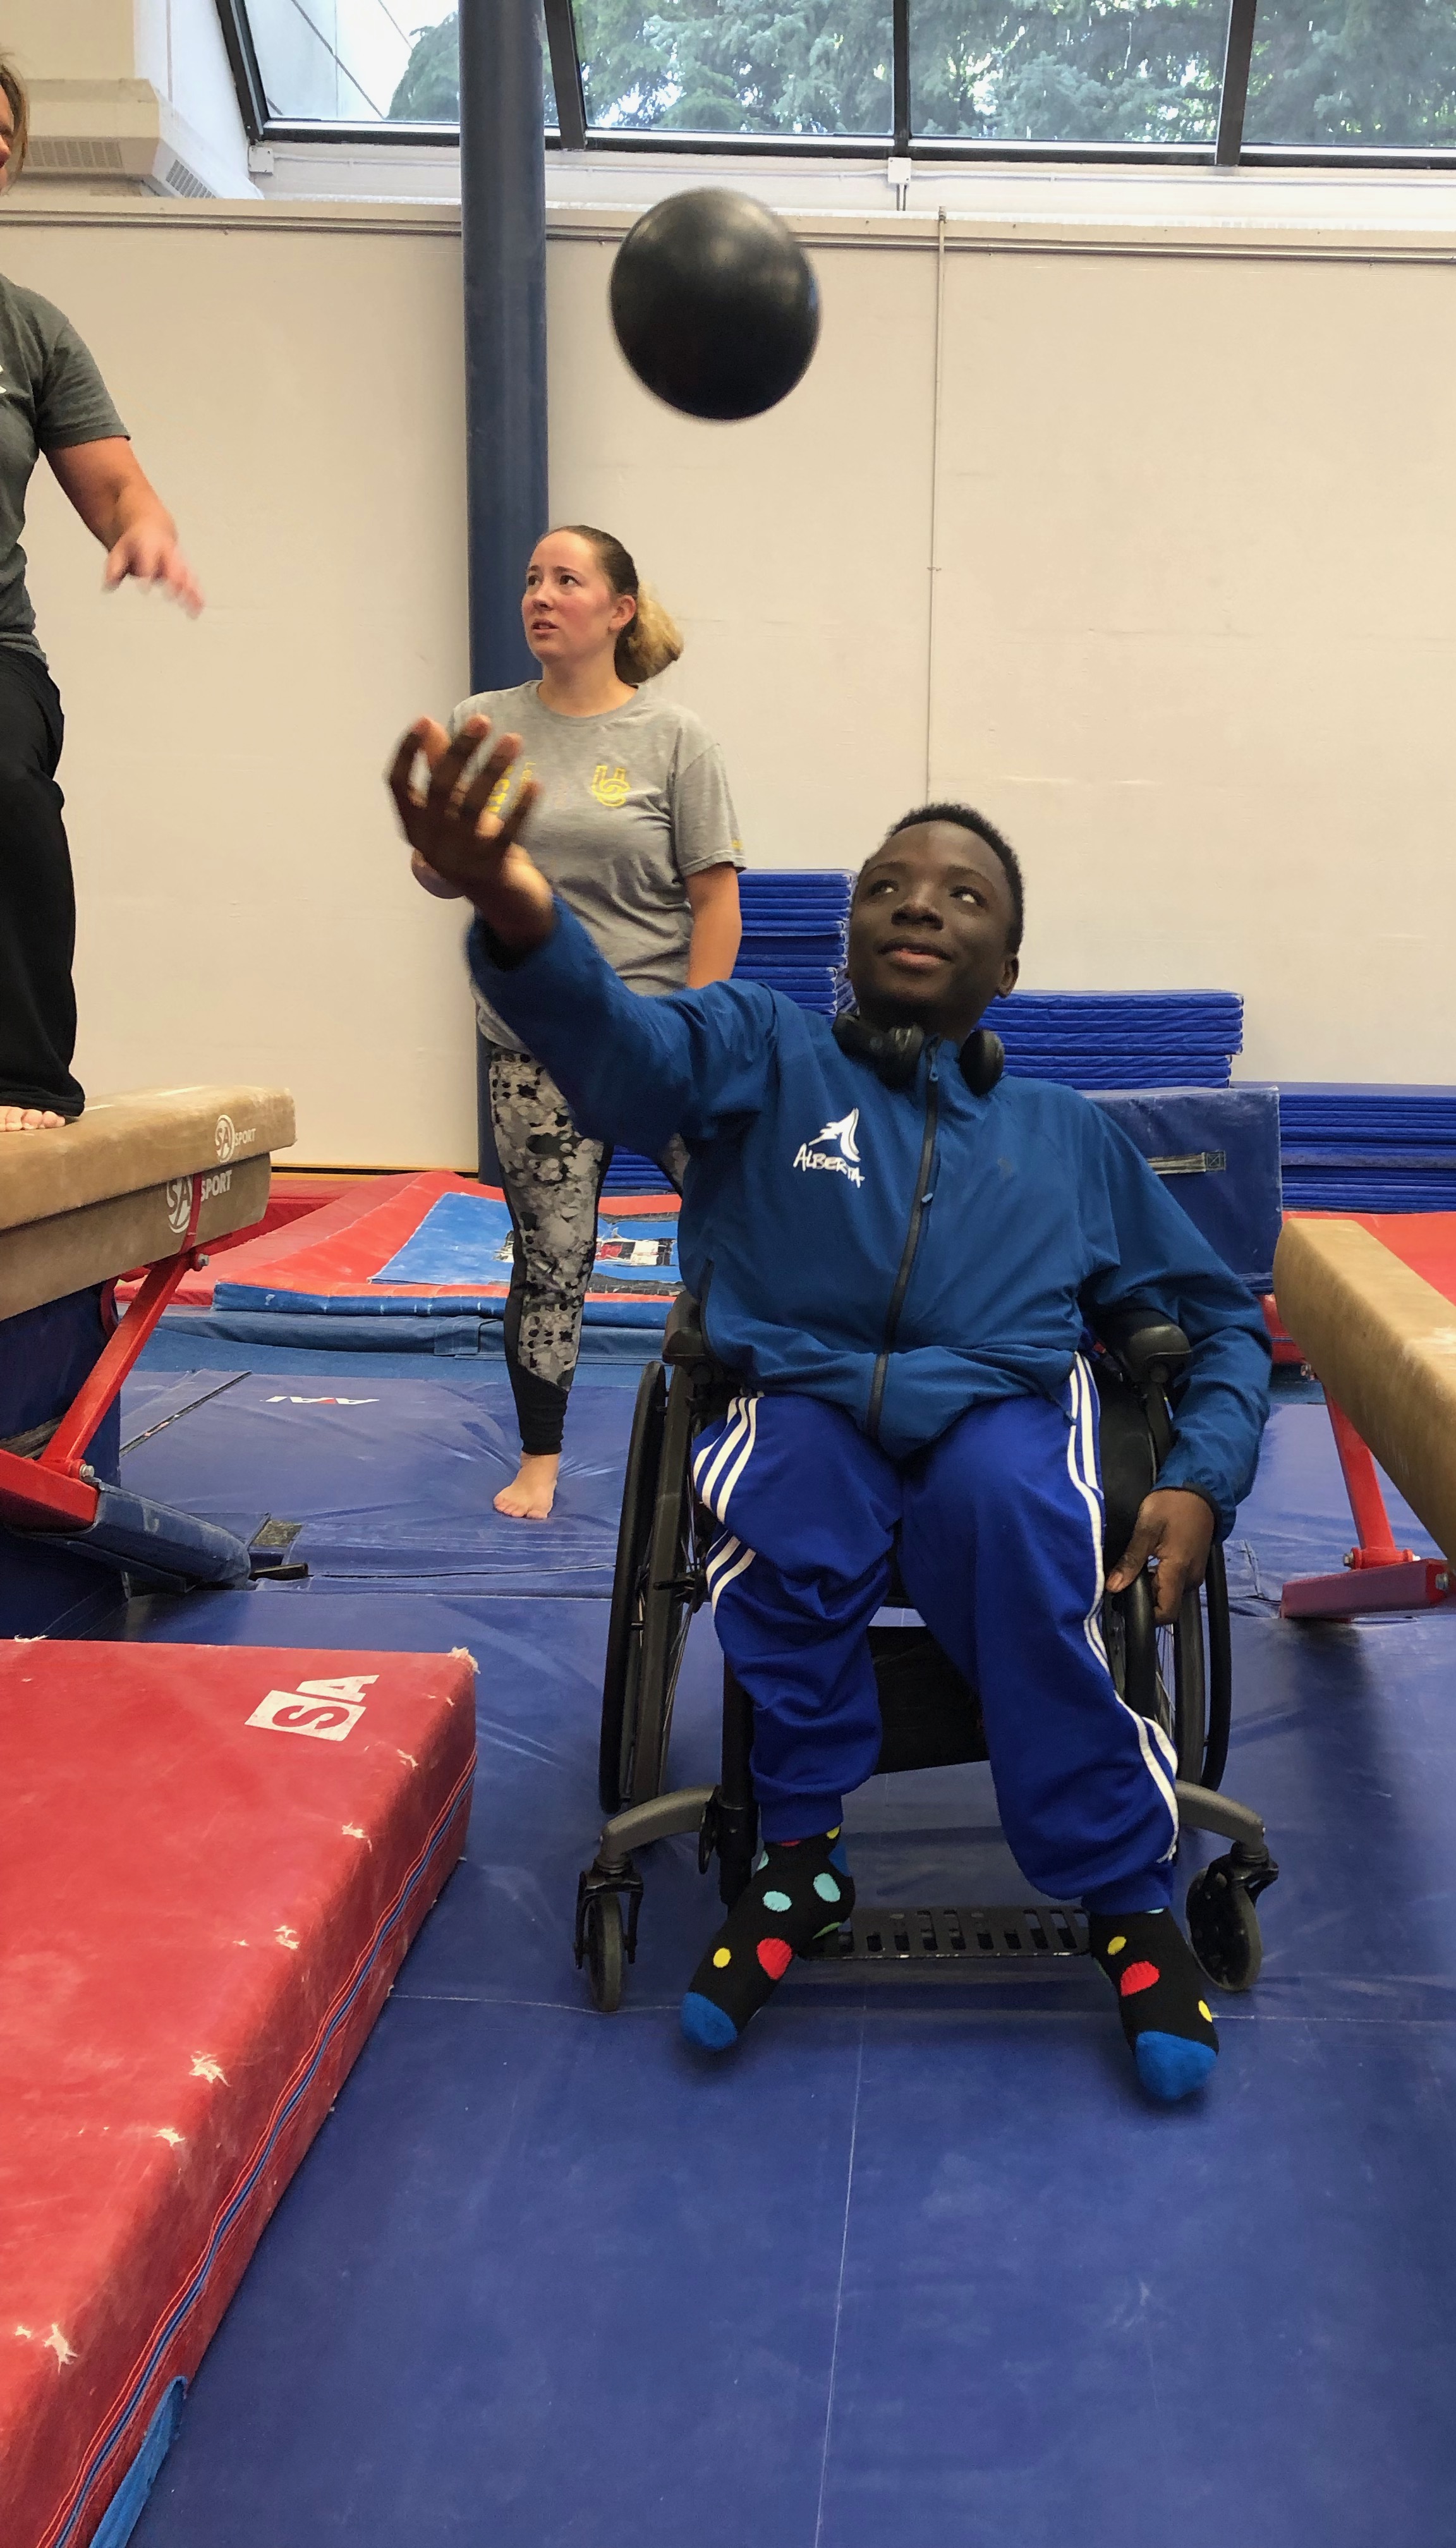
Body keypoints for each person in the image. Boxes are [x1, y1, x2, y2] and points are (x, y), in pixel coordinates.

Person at [387, 721, 1272, 2106]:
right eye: (888, 884)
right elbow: (620, 1056)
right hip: (798, 1395)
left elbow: (1219, 1321)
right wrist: (514, 906)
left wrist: (1205, 1477)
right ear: (848, 930)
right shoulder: (760, 1049)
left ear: (1010, 971)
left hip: (995, 1412)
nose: (920, 902)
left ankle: (1125, 1898)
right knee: (790, 1486)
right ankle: (796, 1856)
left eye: (964, 894)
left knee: (1010, 1506)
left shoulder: (1068, 1139)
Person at [410, 525, 743, 1520]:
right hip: (538, 1040)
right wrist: (446, 849)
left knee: (738, 1231)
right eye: (531, 579)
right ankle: (541, 1459)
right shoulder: (484, 723)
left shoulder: (674, 740)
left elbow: (715, 898)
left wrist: (702, 1027)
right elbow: (437, 873)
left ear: (619, 610)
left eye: (566, 579)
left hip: (656, 1029)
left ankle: (748, 1425)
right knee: (553, 1253)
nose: (541, 595)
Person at [0, 58, 203, 1135]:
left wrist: (144, 531)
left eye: (3, 131)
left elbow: (119, 485)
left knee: (9, 790)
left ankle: (23, 1077)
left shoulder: (30, 331)